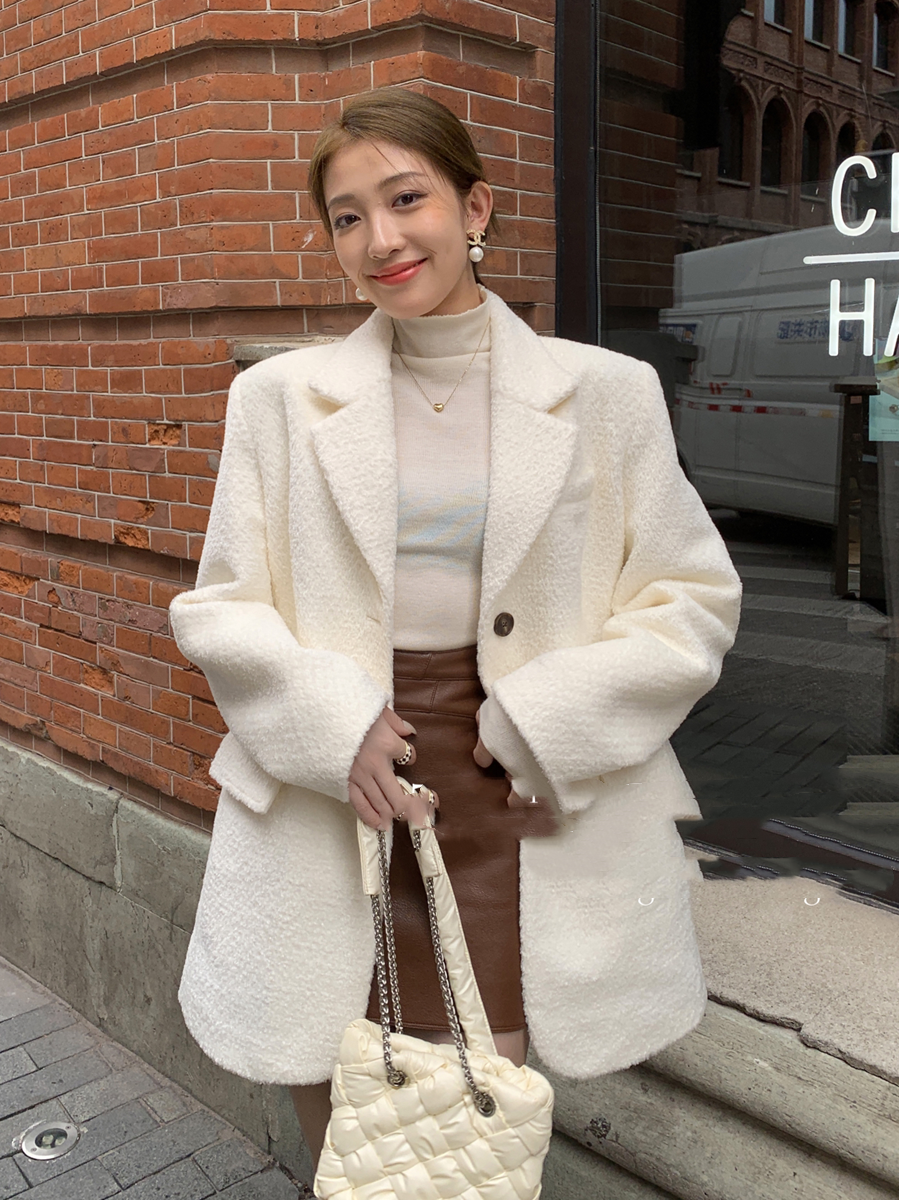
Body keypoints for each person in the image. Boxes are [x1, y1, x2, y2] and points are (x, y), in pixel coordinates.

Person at [168, 87, 742, 1179]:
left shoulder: (605, 393)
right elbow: (222, 602)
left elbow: (688, 597)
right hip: (335, 779)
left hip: (508, 776)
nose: (379, 240)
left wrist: (548, 720)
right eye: (346, 217)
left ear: (474, 208)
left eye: (406, 200)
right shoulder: (277, 399)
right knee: (337, 1073)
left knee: (480, 1096)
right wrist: (327, 721)